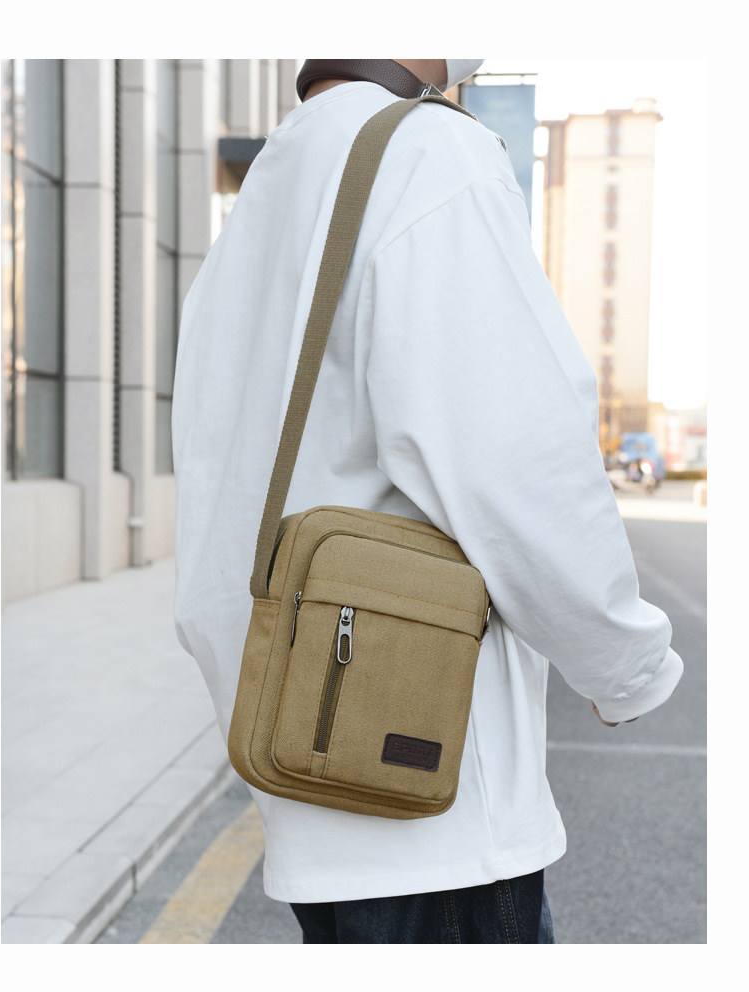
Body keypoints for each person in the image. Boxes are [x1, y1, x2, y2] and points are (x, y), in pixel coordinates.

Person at [172, 59, 683, 944]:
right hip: (433, 796)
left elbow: (221, 475)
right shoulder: (425, 154)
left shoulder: (267, 184)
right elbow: (516, 459)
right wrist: (623, 664)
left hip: (303, 763)